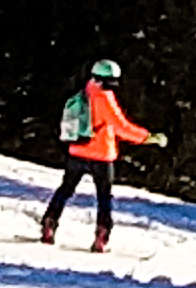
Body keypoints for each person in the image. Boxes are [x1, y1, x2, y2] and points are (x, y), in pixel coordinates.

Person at [32, 56, 158, 249]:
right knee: (104, 197)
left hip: (78, 150)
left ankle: (49, 223)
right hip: (101, 155)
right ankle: (101, 236)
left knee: (65, 190)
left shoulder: (84, 92)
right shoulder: (105, 97)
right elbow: (121, 126)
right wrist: (147, 137)